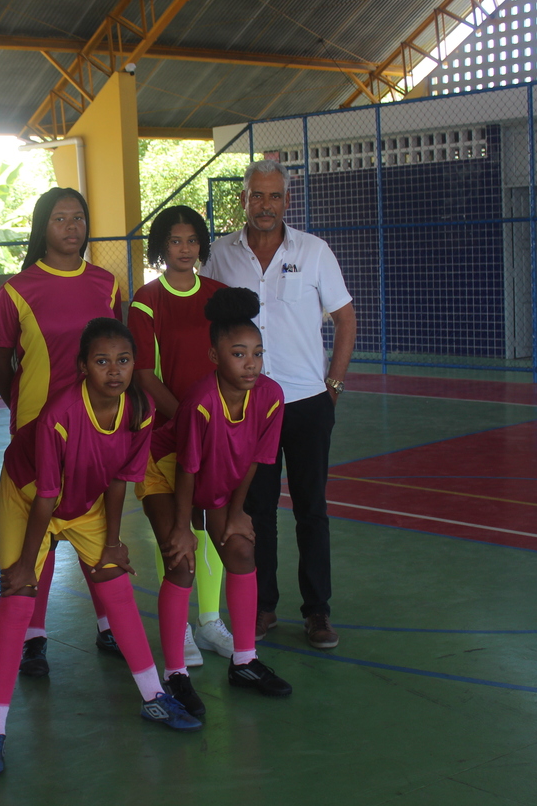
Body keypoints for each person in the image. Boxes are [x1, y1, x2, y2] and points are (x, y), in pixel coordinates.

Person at [0, 318, 200, 781]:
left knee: (115, 584)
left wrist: (112, 543)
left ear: (135, 364)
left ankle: (154, 698)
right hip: (28, 495)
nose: (114, 370)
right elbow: (46, 498)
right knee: (17, 599)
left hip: (85, 499)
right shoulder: (59, 415)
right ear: (82, 367)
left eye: (123, 360)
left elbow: (119, 480)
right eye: (102, 361)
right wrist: (24, 566)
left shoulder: (139, 409)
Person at [199, 159, 357, 650]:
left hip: (307, 401)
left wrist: (333, 385)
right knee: (256, 509)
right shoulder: (220, 255)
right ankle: (262, 606)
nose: (265, 205)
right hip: (247, 407)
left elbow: (346, 318)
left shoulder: (314, 251)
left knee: (311, 509)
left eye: (274, 196)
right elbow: (206, 321)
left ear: (287, 201)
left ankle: (317, 612)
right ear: (242, 199)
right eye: (256, 195)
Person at [0, 187, 124, 675]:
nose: (72, 226)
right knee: (38, 531)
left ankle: (109, 625)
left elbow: (118, 353)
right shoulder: (17, 290)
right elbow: (0, 360)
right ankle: (34, 636)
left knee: (92, 522)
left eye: (79, 217)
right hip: (37, 431)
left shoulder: (107, 284)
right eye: (61, 218)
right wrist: (25, 412)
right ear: (42, 226)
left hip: (96, 430)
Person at [168, 287, 291, 699]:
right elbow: (186, 469)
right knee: (181, 560)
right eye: (239, 354)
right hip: (168, 477)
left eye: (257, 353)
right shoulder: (201, 402)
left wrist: (236, 512)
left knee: (240, 549)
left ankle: (245, 661)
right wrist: (184, 526)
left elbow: (255, 458)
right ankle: (175, 673)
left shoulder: (271, 397)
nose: (250, 363)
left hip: (218, 482)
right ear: (215, 356)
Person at [129, 206, 230, 666]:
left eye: (192, 240)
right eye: (175, 240)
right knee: (173, 528)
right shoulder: (146, 301)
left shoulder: (218, 297)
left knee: (210, 527)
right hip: (165, 436)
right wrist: (189, 420)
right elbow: (144, 375)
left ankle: (209, 621)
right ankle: (180, 628)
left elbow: (231, 360)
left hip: (214, 435)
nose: (185, 249)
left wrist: (216, 423)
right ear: (161, 247)